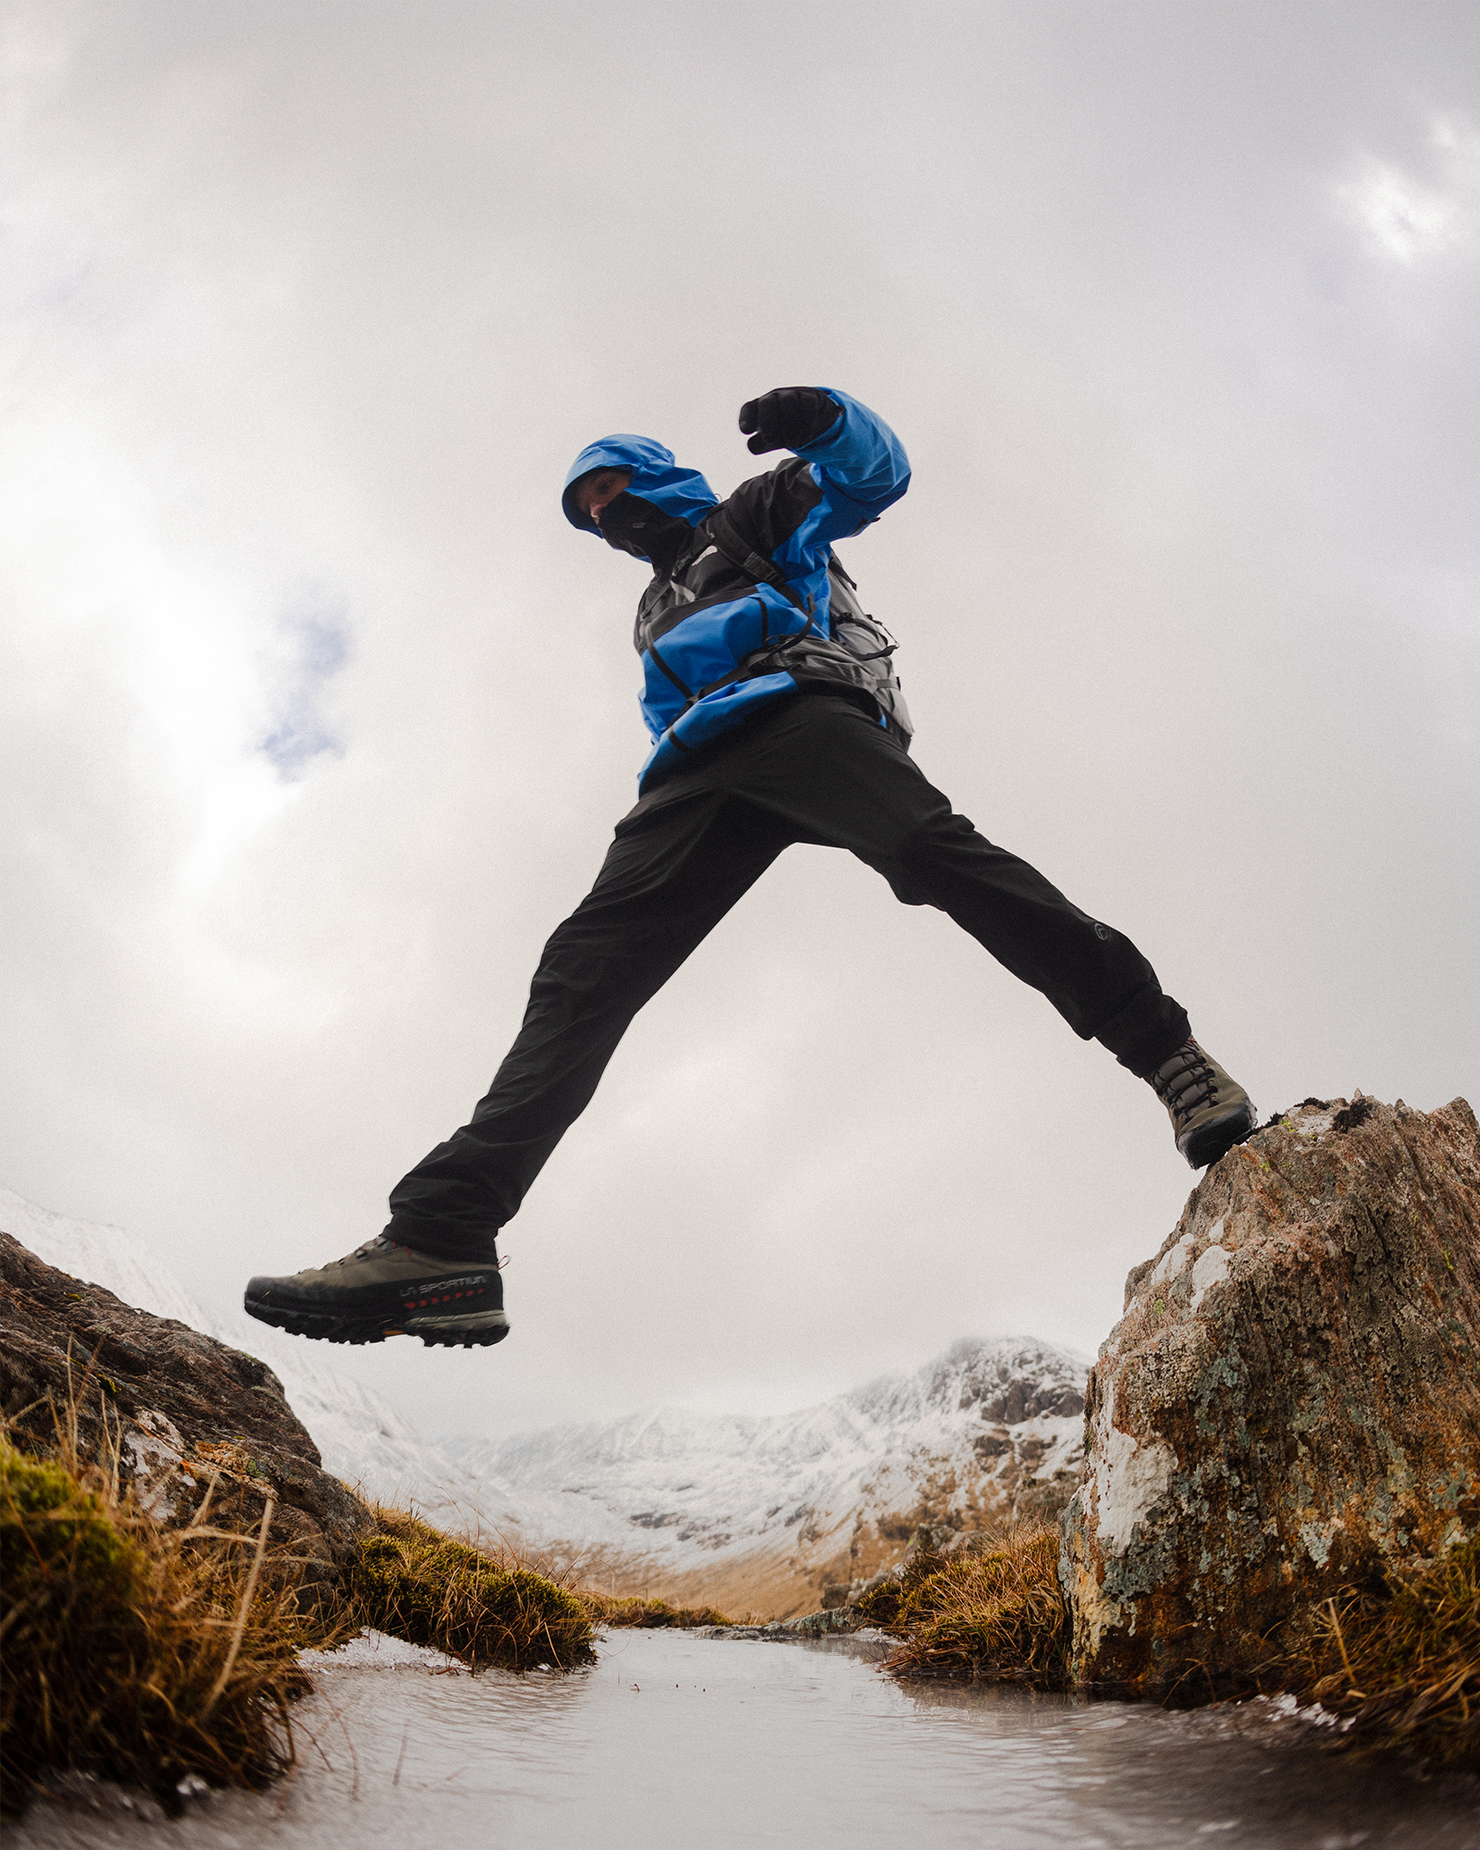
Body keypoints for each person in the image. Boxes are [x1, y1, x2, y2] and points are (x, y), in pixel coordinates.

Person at [244, 386, 1255, 1351]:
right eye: (591, 513)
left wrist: (821, 418)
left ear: (653, 477)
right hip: (690, 767)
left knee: (930, 853)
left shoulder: (752, 513)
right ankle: (442, 1239)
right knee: (580, 970)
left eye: (613, 492)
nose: (608, 519)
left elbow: (872, 479)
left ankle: (1167, 1054)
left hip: (797, 706)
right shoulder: (647, 608)